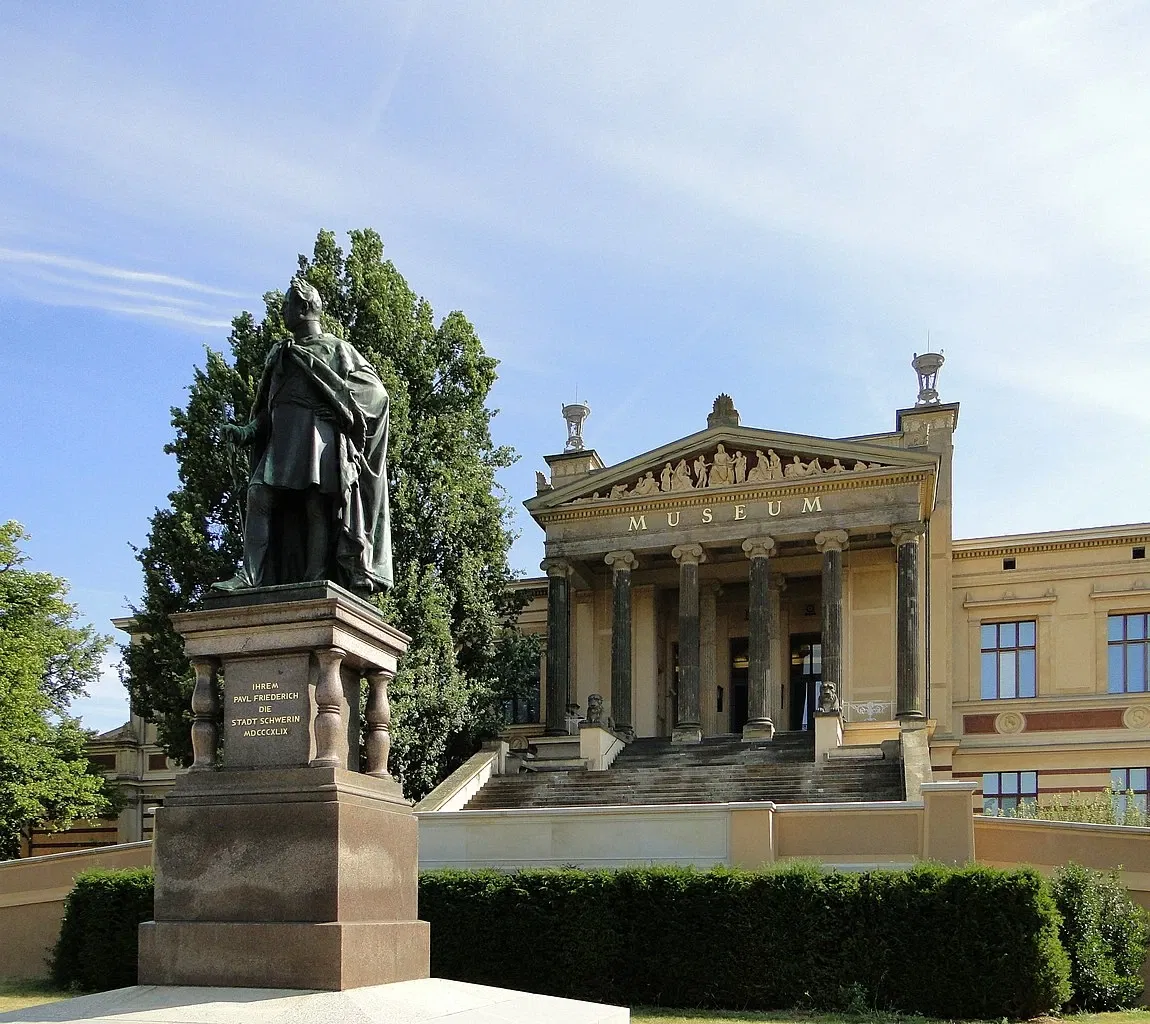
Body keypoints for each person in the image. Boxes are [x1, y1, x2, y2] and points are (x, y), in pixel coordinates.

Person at [214, 276, 392, 593]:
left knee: (316, 505)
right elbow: (269, 410)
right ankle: (249, 576)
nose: (281, 311)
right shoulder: (280, 354)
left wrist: (343, 410)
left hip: (317, 440)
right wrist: (244, 432)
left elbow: (377, 395)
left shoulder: (339, 350)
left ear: (304, 307)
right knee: (258, 495)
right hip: (282, 442)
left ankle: (314, 578)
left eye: (286, 304)